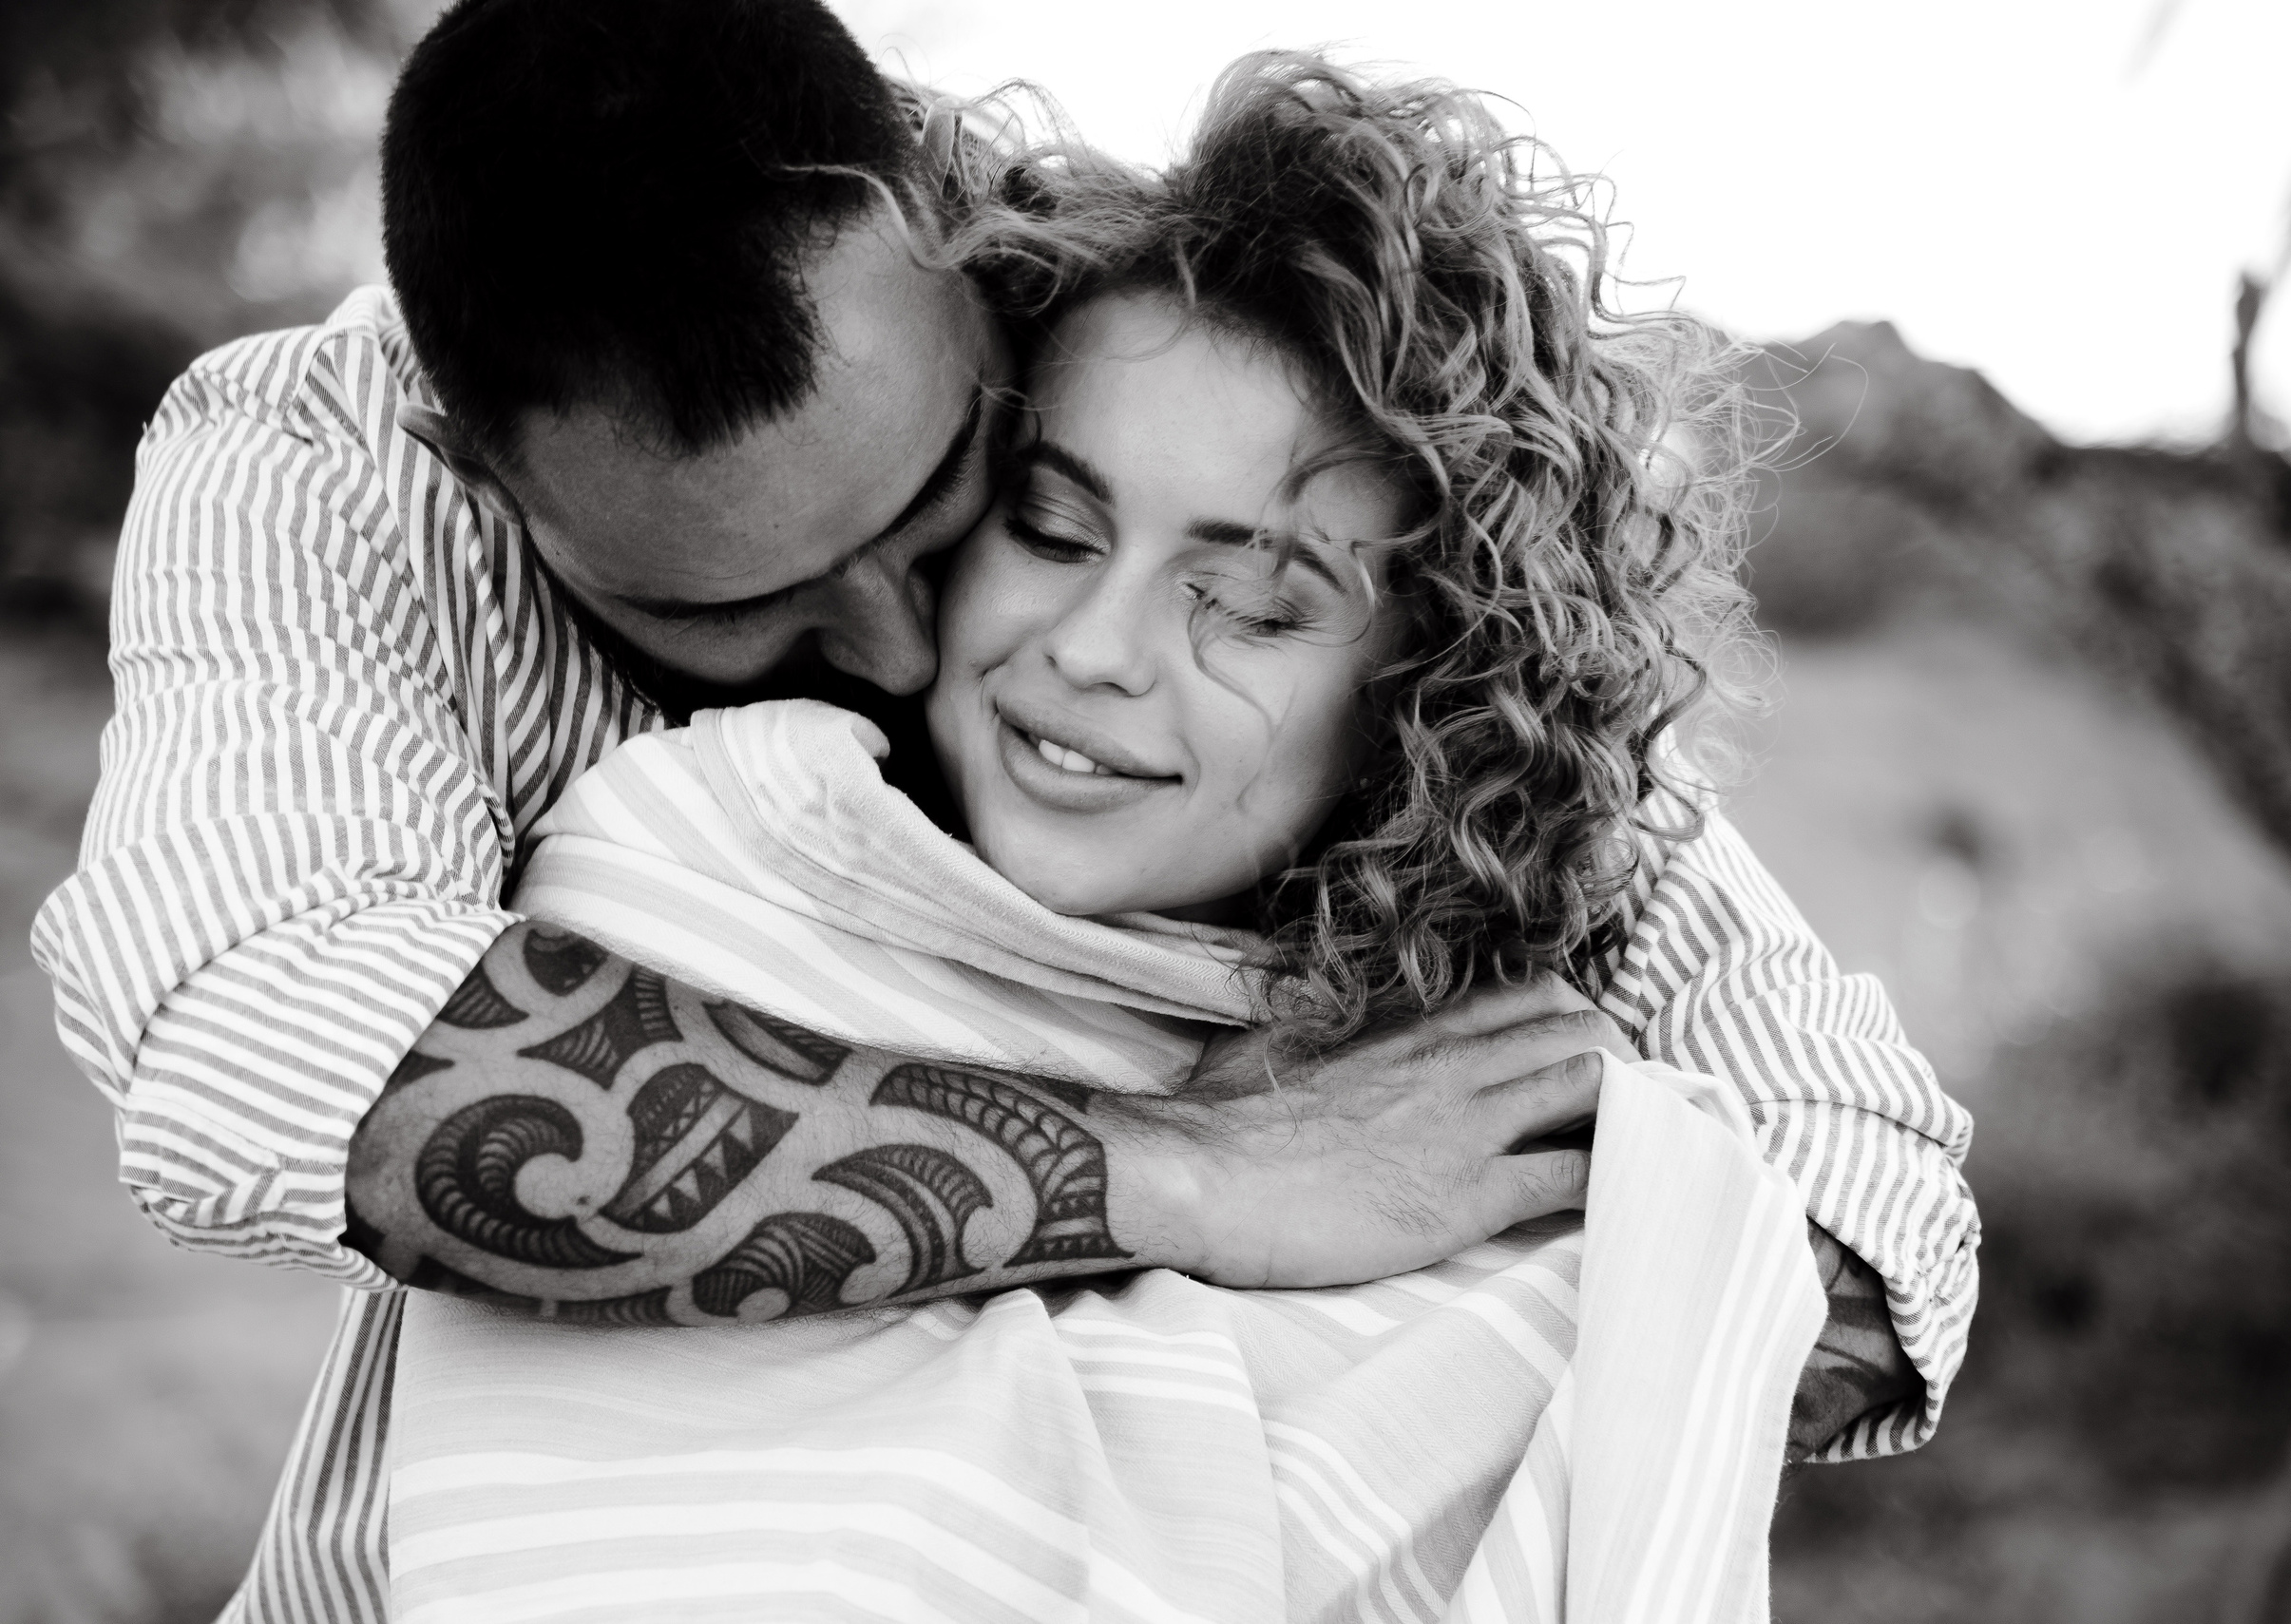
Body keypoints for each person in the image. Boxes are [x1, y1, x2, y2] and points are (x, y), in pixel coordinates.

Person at [26, 3, 1976, 1619]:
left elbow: (1846, 1175)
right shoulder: (326, 461)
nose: (887, 639)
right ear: (474, 462)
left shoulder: (1114, 342)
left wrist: (1370, 1363)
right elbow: (277, 1048)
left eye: (964, 489)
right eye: (728, 603)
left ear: (957, 243)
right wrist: (1184, 1183)